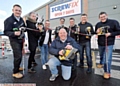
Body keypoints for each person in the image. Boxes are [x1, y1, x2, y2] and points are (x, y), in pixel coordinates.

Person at [95, 12, 120, 79]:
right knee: (101, 55)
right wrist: (96, 32)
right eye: (101, 17)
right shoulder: (98, 24)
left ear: (106, 16)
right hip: (100, 43)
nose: (102, 18)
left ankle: (107, 72)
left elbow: (119, 31)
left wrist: (110, 34)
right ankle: (101, 63)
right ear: (99, 18)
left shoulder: (114, 22)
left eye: (104, 16)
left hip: (109, 43)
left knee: (107, 59)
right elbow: (95, 32)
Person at [4, 4, 25, 78]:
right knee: (18, 55)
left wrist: (23, 31)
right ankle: (15, 72)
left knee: (20, 55)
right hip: (14, 40)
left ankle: (18, 67)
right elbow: (6, 32)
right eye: (16, 10)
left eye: (19, 11)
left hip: (21, 40)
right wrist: (14, 33)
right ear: (13, 10)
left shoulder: (21, 19)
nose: (18, 12)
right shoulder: (8, 20)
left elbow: (24, 27)